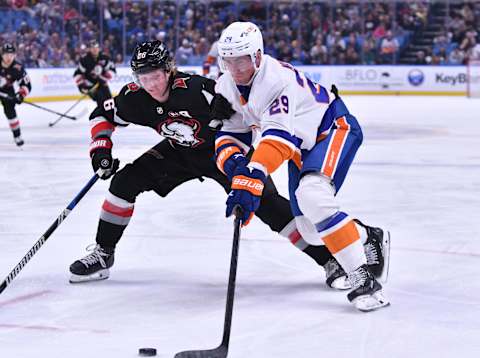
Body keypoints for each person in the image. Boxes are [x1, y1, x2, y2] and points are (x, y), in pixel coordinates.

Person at [69, 41, 386, 294]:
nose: (150, 84)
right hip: (179, 151)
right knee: (123, 183)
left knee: (267, 205)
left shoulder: (201, 91)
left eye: (155, 75)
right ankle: (103, 253)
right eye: (143, 77)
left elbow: (244, 125)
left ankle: (329, 258)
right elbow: (102, 115)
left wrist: (245, 169)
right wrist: (101, 149)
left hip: (225, 152)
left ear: (169, 70)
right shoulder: (134, 97)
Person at [214, 22, 390, 311]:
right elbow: (230, 135)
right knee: (309, 230)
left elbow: (278, 140)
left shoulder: (276, 80)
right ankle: (366, 234)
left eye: (242, 59)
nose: (235, 68)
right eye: (228, 60)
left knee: (313, 197)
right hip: (303, 145)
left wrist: (253, 177)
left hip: (333, 129)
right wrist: (235, 165)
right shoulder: (226, 85)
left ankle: (363, 279)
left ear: (257, 56)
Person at [0, 43, 31, 146]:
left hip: (7, 90)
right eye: (6, 54)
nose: (9, 57)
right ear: (1, 54)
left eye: (11, 54)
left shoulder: (17, 67)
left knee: (10, 112)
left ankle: (17, 136)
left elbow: (26, 84)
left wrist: (20, 95)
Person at [73, 40, 116, 109]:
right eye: (92, 48)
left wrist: (103, 79)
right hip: (91, 86)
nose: (95, 49)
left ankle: (111, 117)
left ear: (99, 48)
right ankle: (102, 116)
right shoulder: (84, 60)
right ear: (89, 49)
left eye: (96, 47)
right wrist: (81, 86)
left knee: (110, 101)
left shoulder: (104, 58)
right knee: (101, 100)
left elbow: (112, 71)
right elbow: (78, 74)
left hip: (102, 84)